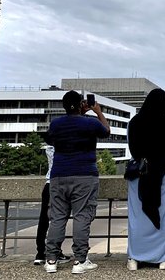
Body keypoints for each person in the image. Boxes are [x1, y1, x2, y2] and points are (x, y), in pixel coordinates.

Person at [43, 90, 110, 274]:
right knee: (82, 216)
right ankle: (80, 261)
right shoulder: (90, 123)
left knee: (57, 217)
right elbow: (106, 131)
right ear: (82, 104)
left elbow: (50, 138)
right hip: (84, 175)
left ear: (64, 106)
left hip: (58, 175)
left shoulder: (56, 124)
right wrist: (97, 112)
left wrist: (79, 114)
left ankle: (51, 260)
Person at [126, 89, 165, 271]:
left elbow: (133, 145)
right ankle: (163, 257)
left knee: (138, 217)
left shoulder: (135, 123)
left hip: (140, 175)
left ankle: (134, 258)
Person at [33, 144, 71, 266]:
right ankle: (56, 252)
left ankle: (40, 253)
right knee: (59, 219)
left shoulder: (50, 145)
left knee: (43, 219)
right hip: (61, 183)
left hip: (49, 183)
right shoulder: (65, 144)